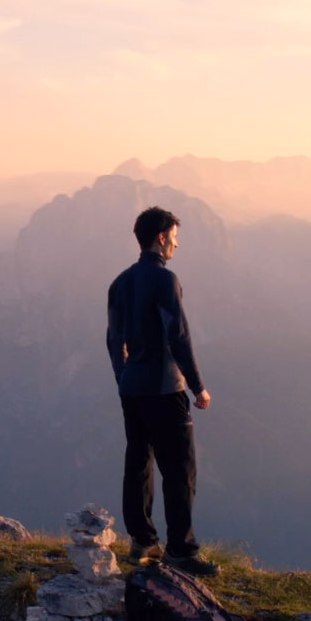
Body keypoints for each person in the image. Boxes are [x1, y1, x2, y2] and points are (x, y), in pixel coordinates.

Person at [106, 206, 218, 577]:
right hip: (165, 389)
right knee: (180, 470)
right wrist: (199, 387)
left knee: (138, 463)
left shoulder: (120, 283)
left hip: (132, 389)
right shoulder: (165, 281)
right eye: (174, 237)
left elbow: (113, 339)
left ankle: (142, 542)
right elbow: (179, 336)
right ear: (160, 237)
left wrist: (123, 377)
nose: (176, 244)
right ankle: (181, 552)